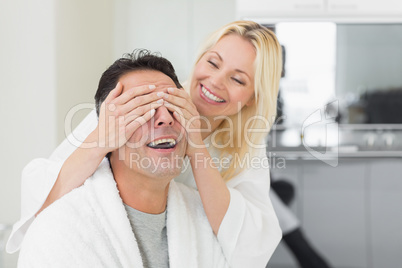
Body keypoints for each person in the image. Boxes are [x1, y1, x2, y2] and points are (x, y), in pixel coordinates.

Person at [8, 20, 283, 267]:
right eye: (212, 63)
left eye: (237, 79)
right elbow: (45, 204)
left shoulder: (245, 144)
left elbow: (248, 242)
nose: (215, 81)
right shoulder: (133, 101)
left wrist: (196, 146)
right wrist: (101, 142)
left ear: (253, 98)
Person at [18, 50, 228, 268]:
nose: (165, 118)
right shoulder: (60, 230)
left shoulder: (201, 220)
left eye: (174, 106)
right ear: (111, 133)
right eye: (142, 108)